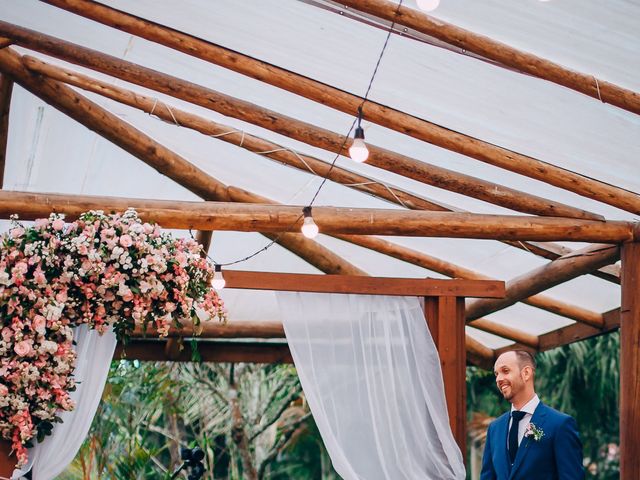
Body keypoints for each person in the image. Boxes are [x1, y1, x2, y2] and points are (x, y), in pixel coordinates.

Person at [480, 350, 584, 480]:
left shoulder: (560, 425)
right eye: (496, 374)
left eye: (505, 371)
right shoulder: (494, 428)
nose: (499, 379)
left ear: (526, 373)